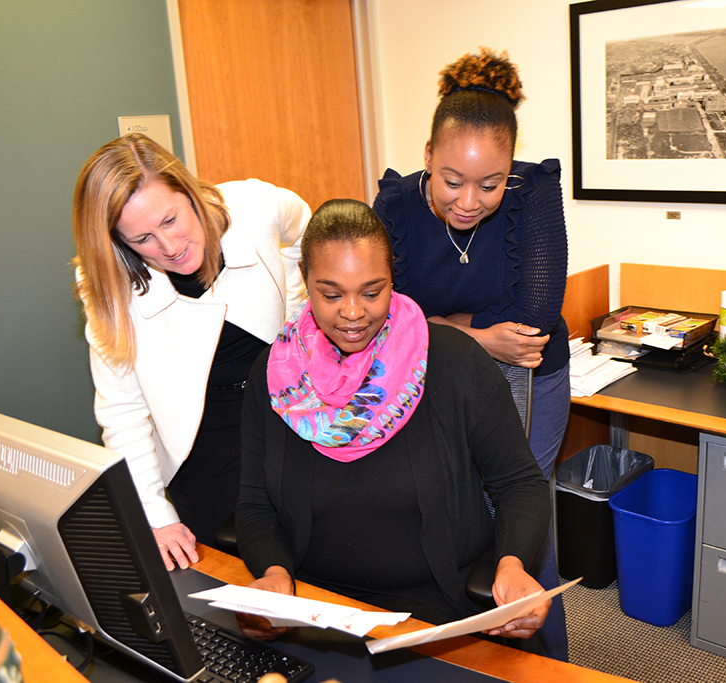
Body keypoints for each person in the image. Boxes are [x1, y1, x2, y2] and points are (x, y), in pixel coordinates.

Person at [234, 199, 551, 642]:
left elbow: (520, 483)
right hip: (316, 606)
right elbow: (255, 504)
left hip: (436, 611)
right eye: (330, 293)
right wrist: (273, 575)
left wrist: (512, 564)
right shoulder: (278, 374)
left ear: (392, 279)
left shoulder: (455, 361)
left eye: (371, 291)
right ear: (304, 278)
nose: (352, 312)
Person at [372, 48, 570, 659]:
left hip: (528, 376)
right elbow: (383, 316)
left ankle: (546, 660)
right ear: (427, 157)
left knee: (520, 512)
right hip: (438, 376)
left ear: (510, 165)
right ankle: (471, 656)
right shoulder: (397, 205)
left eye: (489, 183)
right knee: (452, 510)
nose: (469, 200)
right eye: (452, 180)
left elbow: (534, 317)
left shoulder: (533, 191)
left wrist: (433, 321)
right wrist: (479, 335)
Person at [72, 134, 309, 571]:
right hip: (199, 445)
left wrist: (296, 308)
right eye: (142, 238)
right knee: (222, 575)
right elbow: (122, 413)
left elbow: (303, 227)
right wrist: (156, 517)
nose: (168, 247)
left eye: (170, 219)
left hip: (281, 414)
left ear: (188, 191)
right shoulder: (108, 287)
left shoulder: (251, 207)